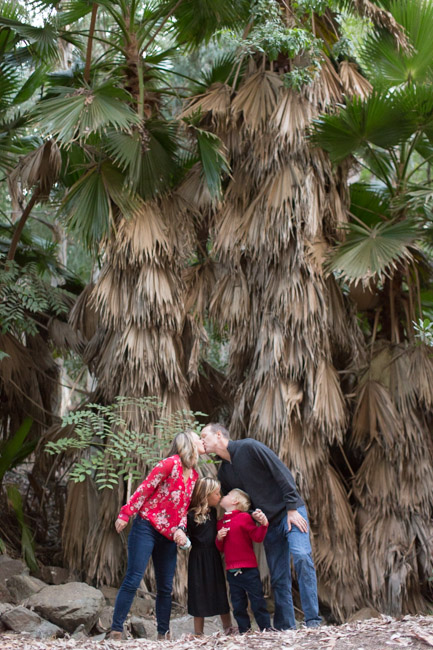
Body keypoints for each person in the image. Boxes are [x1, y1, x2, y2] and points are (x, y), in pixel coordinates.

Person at [201, 423, 321, 630]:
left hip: (290, 512)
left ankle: (313, 622)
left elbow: (280, 471)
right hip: (268, 524)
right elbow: (238, 505)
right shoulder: (224, 474)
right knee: (278, 576)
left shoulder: (249, 447)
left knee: (301, 556)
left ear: (219, 435)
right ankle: (286, 627)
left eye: (204, 436)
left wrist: (292, 507)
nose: (201, 440)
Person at [109, 429, 205, 641]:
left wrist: (181, 529)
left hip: (169, 535)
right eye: (199, 438)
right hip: (146, 526)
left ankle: (163, 634)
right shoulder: (170, 463)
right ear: (188, 443)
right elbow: (145, 488)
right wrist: (126, 513)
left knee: (165, 586)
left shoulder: (194, 476)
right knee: (133, 578)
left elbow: (182, 509)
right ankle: (116, 629)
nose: (202, 441)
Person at [215, 488, 270, 634]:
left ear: (235, 501)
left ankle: (265, 628)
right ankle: (244, 630)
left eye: (227, 495)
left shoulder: (244, 517)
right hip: (231, 570)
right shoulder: (220, 523)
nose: (223, 496)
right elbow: (220, 547)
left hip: (248, 568)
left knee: (257, 600)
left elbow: (257, 537)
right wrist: (219, 538)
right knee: (238, 603)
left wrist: (264, 525)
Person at [186, 477, 234, 636]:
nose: (219, 496)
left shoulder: (213, 512)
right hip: (198, 558)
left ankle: (228, 628)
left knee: (219, 590)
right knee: (197, 592)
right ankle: (198, 633)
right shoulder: (190, 515)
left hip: (213, 557)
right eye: (216, 493)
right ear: (206, 495)